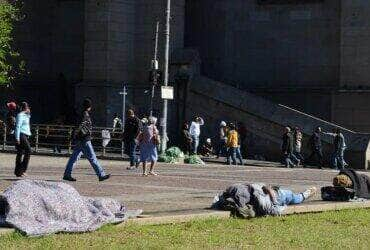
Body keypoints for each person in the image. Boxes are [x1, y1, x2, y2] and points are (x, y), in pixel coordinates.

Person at [63, 98, 110, 182]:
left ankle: (67, 174)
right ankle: (101, 175)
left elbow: (78, 126)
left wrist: (74, 136)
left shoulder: (81, 114)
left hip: (80, 139)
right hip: (84, 140)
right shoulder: (85, 114)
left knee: (74, 158)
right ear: (89, 106)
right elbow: (80, 126)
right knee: (92, 158)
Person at [14, 102, 32, 177]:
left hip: (25, 135)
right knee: (28, 150)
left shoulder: (26, 115)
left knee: (20, 153)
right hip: (21, 134)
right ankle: (23, 169)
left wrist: (27, 113)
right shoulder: (20, 115)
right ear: (24, 108)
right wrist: (17, 138)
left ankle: (18, 172)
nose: (28, 108)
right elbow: (18, 127)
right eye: (27, 107)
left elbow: (28, 117)